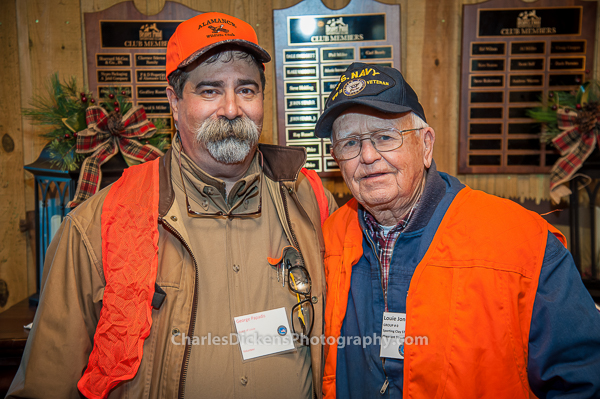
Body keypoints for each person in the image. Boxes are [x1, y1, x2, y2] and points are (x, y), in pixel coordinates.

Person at [7, 12, 336, 399]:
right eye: (210, 90)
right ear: (175, 102)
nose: (231, 109)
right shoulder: (97, 225)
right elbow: (45, 386)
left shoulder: (311, 202)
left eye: (246, 89)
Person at [314, 62, 600, 398]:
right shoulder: (327, 238)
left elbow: (582, 380)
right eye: (349, 143)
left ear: (426, 145)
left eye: (385, 137)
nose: (367, 155)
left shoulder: (521, 242)